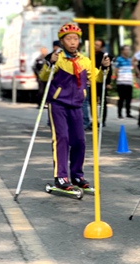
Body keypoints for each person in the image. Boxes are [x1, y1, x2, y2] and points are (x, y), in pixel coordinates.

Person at [40, 23, 110, 191]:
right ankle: (61, 177)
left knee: (79, 141)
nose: (72, 42)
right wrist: (49, 63)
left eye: (75, 39)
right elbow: (43, 76)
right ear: (62, 41)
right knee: (62, 138)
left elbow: (98, 78)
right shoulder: (57, 59)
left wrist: (105, 67)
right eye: (68, 39)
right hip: (58, 105)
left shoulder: (84, 61)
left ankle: (77, 175)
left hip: (77, 106)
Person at [94, 39, 112, 126]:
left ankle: (102, 120)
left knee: (103, 101)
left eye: (98, 45)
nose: (95, 46)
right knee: (92, 101)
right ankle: (94, 119)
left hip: (102, 82)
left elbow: (109, 70)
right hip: (93, 82)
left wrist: (108, 82)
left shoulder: (104, 56)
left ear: (101, 47)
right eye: (95, 44)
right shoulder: (90, 56)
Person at [114, 45, 134, 119]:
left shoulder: (130, 60)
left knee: (129, 98)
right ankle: (119, 113)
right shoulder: (119, 59)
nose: (128, 51)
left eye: (129, 50)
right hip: (121, 82)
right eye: (126, 50)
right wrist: (117, 77)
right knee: (121, 98)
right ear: (122, 51)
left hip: (129, 82)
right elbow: (116, 70)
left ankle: (128, 113)